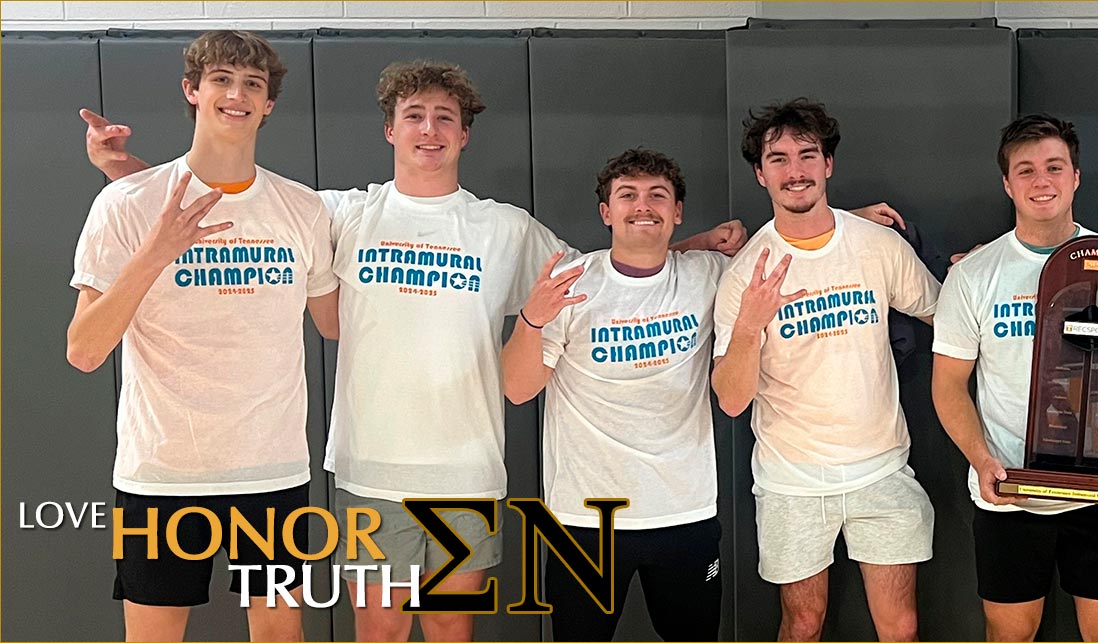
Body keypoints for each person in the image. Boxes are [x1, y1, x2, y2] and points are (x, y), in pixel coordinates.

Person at [83, 59, 745, 642]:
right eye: (414, 115)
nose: (429, 129)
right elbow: (236, 207)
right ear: (390, 129)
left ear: (463, 134)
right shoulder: (341, 213)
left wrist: (685, 249)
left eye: (444, 118)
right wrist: (125, 173)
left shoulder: (504, 228)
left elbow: (599, 278)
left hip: (466, 472)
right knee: (379, 630)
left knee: (452, 632)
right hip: (373, 471)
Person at [66, 30, 336, 642]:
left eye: (252, 84)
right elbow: (83, 349)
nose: (236, 94)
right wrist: (155, 254)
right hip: (161, 472)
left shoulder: (303, 210)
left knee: (279, 637)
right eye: (221, 79)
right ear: (192, 90)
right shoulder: (128, 205)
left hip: (270, 469)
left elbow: (335, 321)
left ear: (268, 104)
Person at [930, 114, 1098, 642]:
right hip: (1010, 493)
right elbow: (948, 385)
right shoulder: (974, 276)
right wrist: (981, 459)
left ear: (1076, 176)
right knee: (1009, 635)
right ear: (1007, 184)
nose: (1042, 181)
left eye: (1054, 167)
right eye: (1026, 170)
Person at [710, 98, 942, 642]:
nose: (796, 170)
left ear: (827, 164)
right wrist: (748, 327)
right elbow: (731, 400)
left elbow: (945, 313)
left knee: (900, 627)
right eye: (780, 158)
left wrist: (984, 268)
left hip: (882, 468)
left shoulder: (877, 246)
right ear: (760, 172)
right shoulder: (745, 274)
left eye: (807, 155)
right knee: (803, 623)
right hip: (792, 481)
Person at [500, 148, 728, 641]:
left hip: (684, 513)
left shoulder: (708, 273)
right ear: (607, 212)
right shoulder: (572, 285)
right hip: (585, 521)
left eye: (657, 195)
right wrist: (533, 319)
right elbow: (517, 390)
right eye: (628, 195)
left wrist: (853, 219)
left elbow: (792, 246)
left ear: (677, 211)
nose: (642, 205)